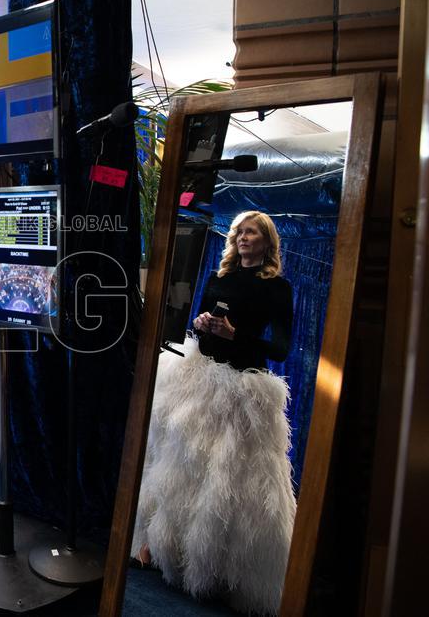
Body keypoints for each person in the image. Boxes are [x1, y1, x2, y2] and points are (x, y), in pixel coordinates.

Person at [132, 210, 296, 616]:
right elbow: (198, 320)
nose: (243, 237)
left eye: (252, 231)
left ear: (267, 241)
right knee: (180, 465)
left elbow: (281, 349)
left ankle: (219, 572)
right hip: (201, 379)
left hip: (244, 394)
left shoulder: (278, 288)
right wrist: (204, 323)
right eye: (239, 231)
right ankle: (167, 549)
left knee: (228, 481)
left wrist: (237, 335)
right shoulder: (219, 277)